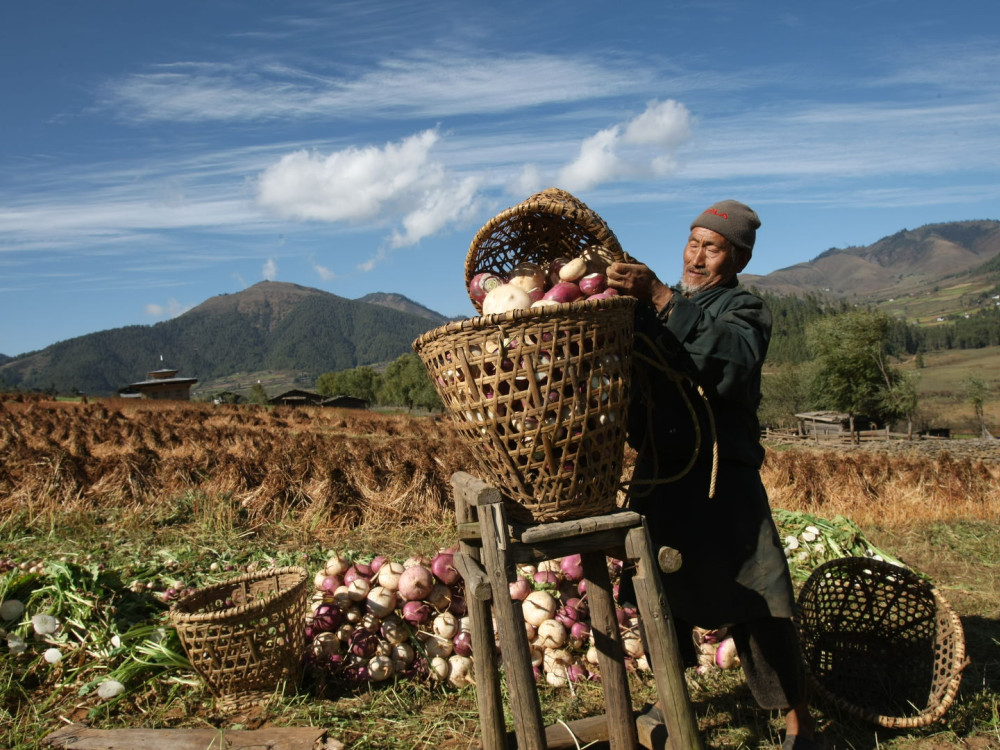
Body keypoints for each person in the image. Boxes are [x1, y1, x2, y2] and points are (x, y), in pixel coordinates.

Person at [606, 200, 817, 750]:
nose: (697, 257)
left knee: (760, 595)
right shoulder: (659, 309)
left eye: (713, 247)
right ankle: (671, 699)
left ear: (738, 256)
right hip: (662, 473)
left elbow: (731, 358)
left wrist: (658, 297)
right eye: (693, 243)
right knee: (657, 590)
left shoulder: (744, 310)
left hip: (724, 477)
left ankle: (800, 724)